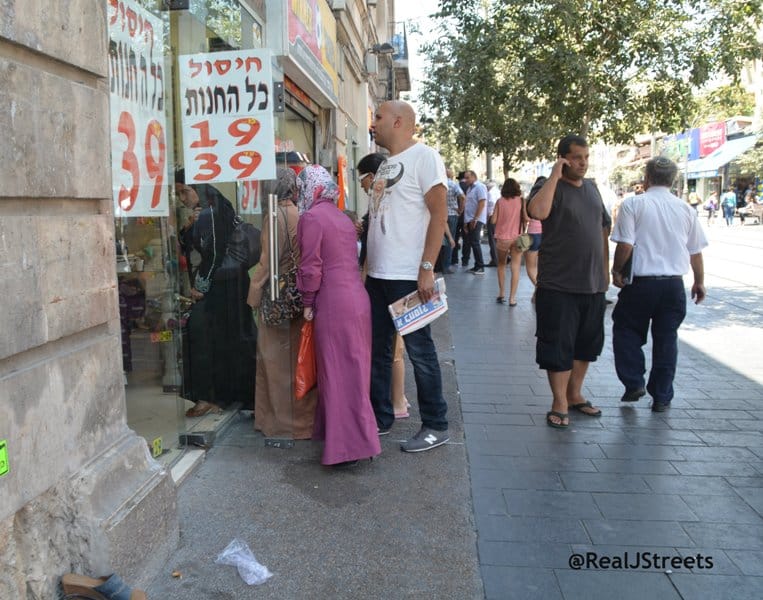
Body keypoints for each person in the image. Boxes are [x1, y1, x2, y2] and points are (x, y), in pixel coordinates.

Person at [367, 99, 450, 452]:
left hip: (408, 276)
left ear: (399, 121)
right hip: (378, 276)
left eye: (379, 117)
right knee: (378, 352)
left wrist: (427, 269)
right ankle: (380, 418)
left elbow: (440, 215)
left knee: (420, 352)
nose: (373, 123)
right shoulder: (387, 164)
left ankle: (436, 424)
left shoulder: (425, 157)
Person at [295, 165, 381, 466]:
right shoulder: (342, 218)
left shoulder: (311, 218)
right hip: (357, 298)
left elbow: (310, 265)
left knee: (335, 374)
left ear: (310, 188)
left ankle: (346, 448)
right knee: (355, 373)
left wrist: (307, 300)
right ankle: (360, 439)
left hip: (333, 302)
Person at [610, 157, 708, 412]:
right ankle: (662, 397)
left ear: (647, 178)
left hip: (641, 285)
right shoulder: (686, 209)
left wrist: (617, 270)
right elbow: (695, 251)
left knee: (626, 331)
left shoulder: (634, 204)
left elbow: (625, 244)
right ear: (673, 180)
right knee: (666, 340)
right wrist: (699, 281)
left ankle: (633, 382)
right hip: (673, 286)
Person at [527, 135, 610, 428]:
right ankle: (559, 400)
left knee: (587, 344)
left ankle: (575, 394)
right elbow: (538, 212)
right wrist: (554, 175)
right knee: (557, 345)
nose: (583, 163)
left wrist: (606, 272)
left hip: (593, 284)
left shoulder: (592, 188)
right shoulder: (546, 185)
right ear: (562, 158)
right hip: (558, 284)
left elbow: (604, 229)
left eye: (585, 157)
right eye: (576, 157)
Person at [176, 170, 256, 417]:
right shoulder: (213, 206)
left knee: (204, 339)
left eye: (184, 191)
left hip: (220, 287)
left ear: (197, 188)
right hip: (230, 283)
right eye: (178, 193)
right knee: (228, 339)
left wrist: (200, 288)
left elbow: (213, 256)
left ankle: (211, 397)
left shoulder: (210, 211)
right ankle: (233, 397)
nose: (181, 198)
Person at [247, 168, 317, 439]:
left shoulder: (274, 216)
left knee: (275, 363)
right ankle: (303, 421)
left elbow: (267, 263)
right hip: (297, 296)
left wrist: (253, 295)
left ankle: (282, 424)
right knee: (298, 362)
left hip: (277, 297)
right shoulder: (299, 214)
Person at [357, 153, 410, 420]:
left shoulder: (390, 206)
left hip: (392, 282)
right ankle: (391, 404)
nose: (362, 185)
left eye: (362, 178)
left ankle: (397, 401)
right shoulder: (376, 208)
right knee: (388, 347)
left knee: (395, 348)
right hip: (382, 282)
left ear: (373, 177)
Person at [490, 178, 526, 305]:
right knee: (515, 267)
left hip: (503, 238)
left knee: (501, 265)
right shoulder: (521, 201)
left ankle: (501, 293)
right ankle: (512, 299)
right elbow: (526, 218)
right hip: (518, 238)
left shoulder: (499, 202)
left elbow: (493, 221)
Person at [462, 170, 488, 274]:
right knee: (471, 242)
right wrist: (465, 221)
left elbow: (482, 203)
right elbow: (468, 206)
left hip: (476, 219)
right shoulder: (469, 189)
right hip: (470, 219)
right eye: (465, 178)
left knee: (475, 242)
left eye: (467, 178)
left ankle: (480, 266)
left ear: (473, 177)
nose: (465, 180)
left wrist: (476, 218)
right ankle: (477, 266)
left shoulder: (479, 187)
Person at [524, 176, 545, 292]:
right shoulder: (550, 198)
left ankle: (540, 289)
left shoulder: (530, 200)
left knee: (531, 267)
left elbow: (526, 218)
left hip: (533, 234)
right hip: (546, 234)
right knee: (543, 266)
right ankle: (537, 292)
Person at [442, 168, 465, 274]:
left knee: (439, 239)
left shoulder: (439, 183)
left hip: (439, 214)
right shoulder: (453, 184)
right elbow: (463, 197)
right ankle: (446, 265)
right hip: (451, 214)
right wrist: (461, 209)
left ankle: (438, 264)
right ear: (451, 175)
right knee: (450, 240)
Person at [485, 179, 501, 267]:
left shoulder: (490, 193)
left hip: (492, 217)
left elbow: (490, 209)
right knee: (497, 239)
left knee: (492, 239)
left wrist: (487, 219)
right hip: (499, 217)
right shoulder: (498, 192)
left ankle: (495, 259)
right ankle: (500, 258)